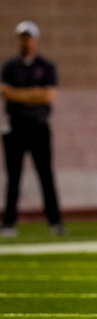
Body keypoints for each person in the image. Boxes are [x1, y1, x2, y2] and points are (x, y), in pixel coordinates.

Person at [0, 21, 65, 237]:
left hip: (38, 127)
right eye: (23, 37)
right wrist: (33, 94)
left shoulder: (45, 67)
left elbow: (48, 96)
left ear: (35, 40)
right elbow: (5, 92)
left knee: (46, 175)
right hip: (15, 127)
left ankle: (55, 222)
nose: (26, 42)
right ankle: (9, 223)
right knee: (13, 177)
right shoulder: (10, 67)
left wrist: (19, 94)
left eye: (29, 37)